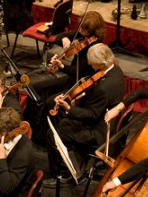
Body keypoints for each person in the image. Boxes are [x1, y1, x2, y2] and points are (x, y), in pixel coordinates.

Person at [45, 43, 125, 187]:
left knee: (54, 136)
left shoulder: (105, 87)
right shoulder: (116, 70)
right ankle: (74, 162)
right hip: (104, 122)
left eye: (92, 63)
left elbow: (92, 114)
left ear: (101, 63)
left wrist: (69, 107)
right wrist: (81, 96)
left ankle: (63, 175)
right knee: (63, 124)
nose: (89, 64)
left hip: (97, 131)